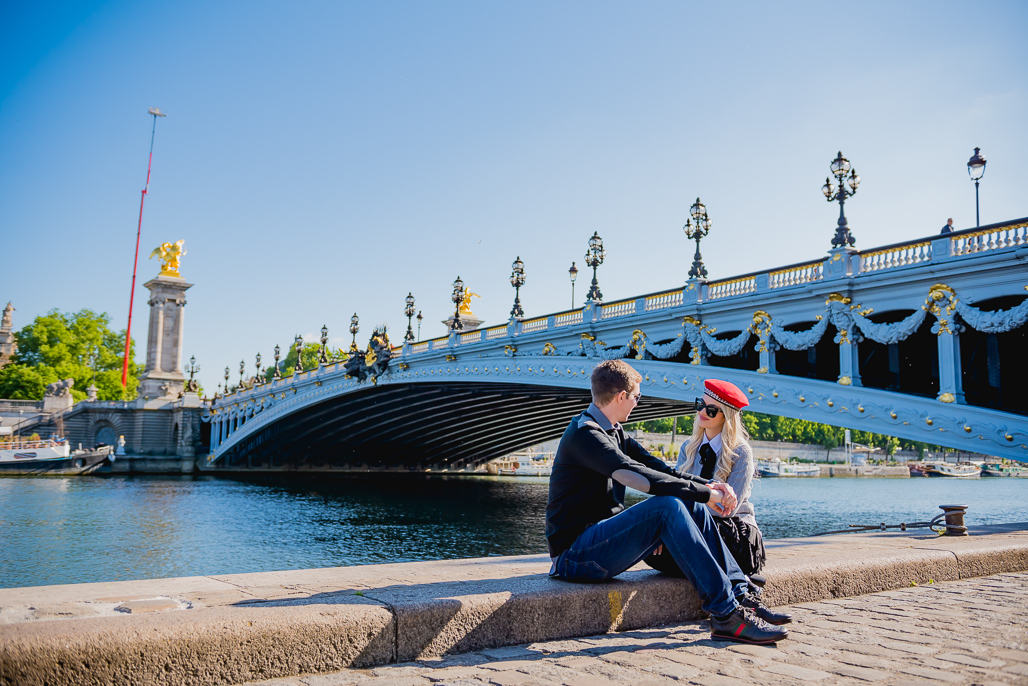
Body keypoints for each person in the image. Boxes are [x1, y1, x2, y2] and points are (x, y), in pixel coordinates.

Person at [545, 360, 790, 644]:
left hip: (599, 543)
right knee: (669, 505)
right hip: (574, 556)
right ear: (621, 396)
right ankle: (725, 614)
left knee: (688, 501)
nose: (638, 403)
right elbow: (637, 476)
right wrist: (707, 495)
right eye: (637, 396)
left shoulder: (614, 431)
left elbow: (661, 469)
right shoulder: (585, 434)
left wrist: (706, 487)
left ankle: (739, 596)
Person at [647, 379, 777, 595]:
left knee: (708, 532)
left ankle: (725, 573)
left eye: (711, 409)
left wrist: (677, 521)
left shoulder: (741, 453)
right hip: (693, 528)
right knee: (650, 546)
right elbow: (673, 492)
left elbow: (727, 510)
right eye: (700, 404)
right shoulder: (688, 447)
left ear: (726, 415)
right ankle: (731, 576)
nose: (702, 412)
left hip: (732, 531)